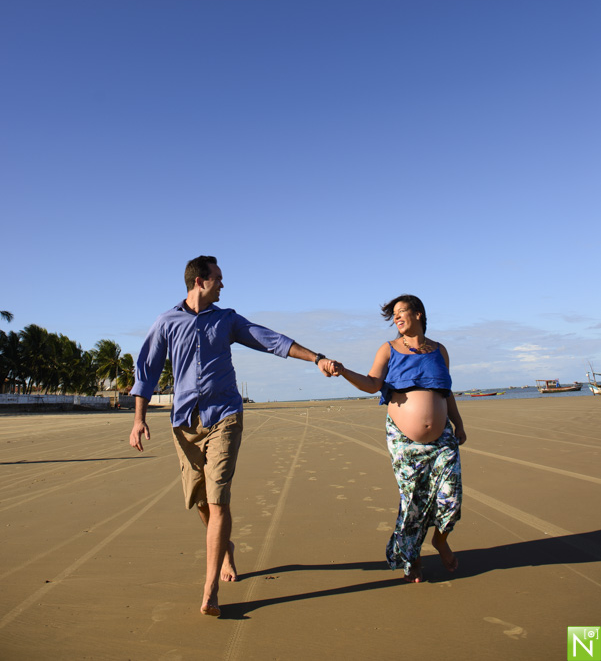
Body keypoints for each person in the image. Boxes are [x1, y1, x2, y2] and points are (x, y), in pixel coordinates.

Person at [129, 254, 336, 617]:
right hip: (184, 424)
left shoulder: (227, 320)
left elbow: (269, 339)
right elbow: (146, 370)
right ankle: (225, 548)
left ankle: (210, 592)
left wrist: (315, 357)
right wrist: (138, 419)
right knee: (201, 503)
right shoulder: (167, 322)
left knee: (219, 498)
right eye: (218, 278)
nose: (223, 284)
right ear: (199, 281)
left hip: (225, 416)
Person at [327, 294, 466, 583]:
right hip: (403, 439)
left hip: (443, 439)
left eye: (402, 312)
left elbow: (446, 390)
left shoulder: (440, 350)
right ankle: (411, 557)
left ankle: (440, 540)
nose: (396, 318)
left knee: (451, 497)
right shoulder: (388, 349)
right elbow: (372, 384)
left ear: (418, 314)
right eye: (394, 315)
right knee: (413, 499)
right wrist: (343, 371)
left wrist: (458, 423)